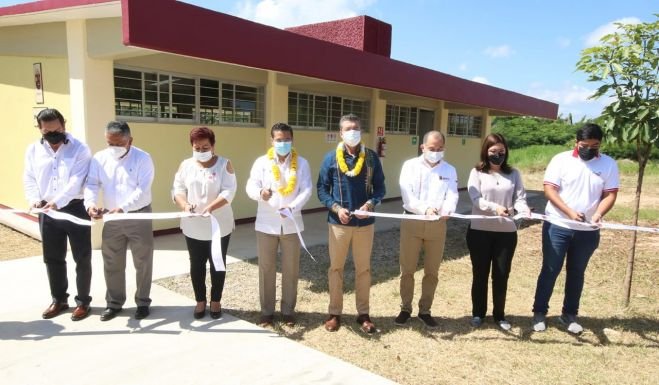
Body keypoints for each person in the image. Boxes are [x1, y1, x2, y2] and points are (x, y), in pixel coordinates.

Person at [532, 123, 619, 334]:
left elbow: (610, 194)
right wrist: (569, 212)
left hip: (588, 231)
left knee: (577, 272)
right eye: (584, 144)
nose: (589, 149)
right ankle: (539, 313)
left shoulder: (608, 164)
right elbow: (549, 190)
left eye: (594, 145)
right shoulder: (561, 160)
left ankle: (569, 314)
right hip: (558, 225)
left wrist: (598, 214)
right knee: (550, 269)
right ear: (576, 143)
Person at [317, 114, 385, 334]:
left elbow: (381, 189)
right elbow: (322, 189)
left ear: (361, 130)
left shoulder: (372, 158)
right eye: (348, 128)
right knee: (336, 269)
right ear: (341, 133)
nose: (352, 132)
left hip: (365, 225)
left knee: (363, 269)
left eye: (356, 128)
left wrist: (370, 204)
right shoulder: (330, 159)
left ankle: (363, 314)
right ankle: (334, 313)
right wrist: (336, 208)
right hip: (338, 224)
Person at [23, 108, 93, 321]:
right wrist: (35, 200)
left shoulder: (80, 149)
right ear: (40, 129)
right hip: (46, 211)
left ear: (64, 125)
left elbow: (77, 181)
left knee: (82, 257)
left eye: (56, 130)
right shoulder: (33, 150)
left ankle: (82, 302)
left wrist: (57, 202)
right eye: (47, 132)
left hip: (74, 209)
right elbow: (29, 178)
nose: (53, 135)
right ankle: (59, 299)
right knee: (52, 257)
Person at [84, 121, 155, 321]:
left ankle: (142, 302)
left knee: (142, 261)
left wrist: (122, 208)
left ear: (130, 140)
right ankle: (114, 303)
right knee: (112, 261)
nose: (113, 148)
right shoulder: (99, 158)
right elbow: (91, 183)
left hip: (138, 216)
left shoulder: (143, 158)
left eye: (118, 144)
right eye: (110, 143)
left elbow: (143, 190)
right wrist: (90, 205)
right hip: (111, 219)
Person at [246, 123, 312, 327]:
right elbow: (251, 185)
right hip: (266, 224)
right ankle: (266, 311)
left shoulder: (301, 163)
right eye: (279, 139)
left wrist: (292, 207)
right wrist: (260, 194)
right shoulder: (261, 162)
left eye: (286, 139)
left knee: (291, 269)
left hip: (292, 224)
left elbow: (306, 189)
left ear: (292, 140)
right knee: (266, 268)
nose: (283, 143)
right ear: (272, 140)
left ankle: (288, 311)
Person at [466, 133, 530, 331]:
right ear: (486, 151)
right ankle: (478, 314)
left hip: (506, 233)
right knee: (480, 274)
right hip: (479, 231)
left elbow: (520, 197)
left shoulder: (513, 174)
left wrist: (523, 209)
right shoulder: (476, 173)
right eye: (493, 151)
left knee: (501, 274)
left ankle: (499, 315)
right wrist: (495, 208)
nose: (498, 155)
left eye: (501, 151)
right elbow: (475, 199)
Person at [395, 130, 458, 329]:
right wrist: (425, 209)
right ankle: (405, 308)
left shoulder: (450, 170)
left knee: (432, 270)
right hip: (412, 221)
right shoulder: (410, 166)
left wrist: (448, 209)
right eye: (432, 149)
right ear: (423, 147)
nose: (436, 152)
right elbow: (408, 196)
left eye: (440, 149)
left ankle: (425, 310)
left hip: (437, 225)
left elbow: (453, 194)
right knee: (407, 269)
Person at [173, 127, 236, 320]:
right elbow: (178, 188)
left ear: (213, 145)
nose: (201, 151)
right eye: (197, 147)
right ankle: (200, 300)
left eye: (205, 147)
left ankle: (215, 300)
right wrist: (184, 204)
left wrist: (211, 206)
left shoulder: (225, 164)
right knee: (197, 264)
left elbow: (229, 191)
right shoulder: (185, 165)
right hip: (193, 225)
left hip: (219, 224)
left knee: (218, 262)